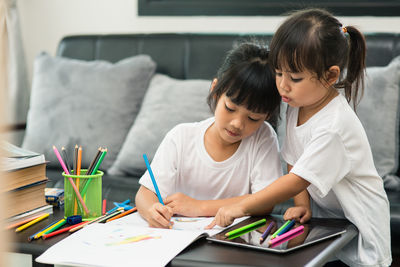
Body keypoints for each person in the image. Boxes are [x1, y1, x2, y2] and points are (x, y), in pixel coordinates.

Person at [207, 8, 392, 267]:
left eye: (294, 77)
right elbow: (295, 157)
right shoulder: (297, 103)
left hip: (362, 237)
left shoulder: (334, 126)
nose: (282, 85)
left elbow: (296, 180)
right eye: (278, 72)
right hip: (329, 228)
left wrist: (242, 207)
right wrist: (302, 204)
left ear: (330, 76)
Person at [135, 42, 283, 229]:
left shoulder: (263, 138)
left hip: (231, 242)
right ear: (215, 91)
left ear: (267, 116)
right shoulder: (181, 137)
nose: (237, 123)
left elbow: (265, 201)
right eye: (230, 108)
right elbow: (144, 194)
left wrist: (199, 207)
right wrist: (151, 211)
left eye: (253, 118)